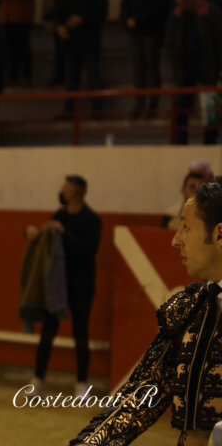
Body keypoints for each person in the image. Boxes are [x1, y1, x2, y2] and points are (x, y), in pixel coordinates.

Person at [70, 179, 222, 446]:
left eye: (186, 227)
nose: (176, 240)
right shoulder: (192, 307)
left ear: (220, 235)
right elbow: (140, 396)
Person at [26, 175, 100, 399]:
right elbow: (46, 234)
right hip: (57, 283)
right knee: (48, 332)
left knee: (80, 333)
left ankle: (81, 383)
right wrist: (32, 233)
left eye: (65, 188)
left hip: (81, 284)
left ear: (76, 192)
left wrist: (64, 233)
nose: (61, 190)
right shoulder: (59, 215)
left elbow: (89, 249)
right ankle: (38, 379)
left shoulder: (91, 219)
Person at [166, 0, 222, 146]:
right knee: (182, 109)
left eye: (183, 2)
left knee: (210, 109)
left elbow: (219, 41)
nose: (181, 5)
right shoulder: (176, 15)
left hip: (207, 68)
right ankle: (181, 144)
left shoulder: (210, 11)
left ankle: (209, 143)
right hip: (184, 69)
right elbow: (169, 42)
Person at [121, 0, 172, 118]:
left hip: (152, 31)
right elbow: (126, 3)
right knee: (138, 68)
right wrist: (128, 19)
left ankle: (153, 103)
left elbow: (160, 7)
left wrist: (139, 20)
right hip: (136, 31)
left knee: (151, 67)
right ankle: (139, 102)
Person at [54, 0, 108, 116]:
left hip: (90, 38)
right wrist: (60, 26)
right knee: (71, 78)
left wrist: (82, 19)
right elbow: (59, 10)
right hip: (71, 39)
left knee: (93, 76)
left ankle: (97, 109)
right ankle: (69, 110)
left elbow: (101, 12)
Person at [163, 164, 209, 230]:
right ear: (182, 189)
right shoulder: (171, 214)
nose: (196, 191)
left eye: (200, 188)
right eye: (192, 187)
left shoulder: (208, 216)